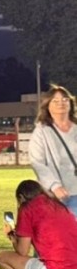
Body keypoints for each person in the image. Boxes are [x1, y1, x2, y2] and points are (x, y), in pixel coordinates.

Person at [0, 179, 77, 269]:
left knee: (1, 258)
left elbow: (22, 251)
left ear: (21, 197)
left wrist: (12, 238)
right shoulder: (60, 206)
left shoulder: (28, 208)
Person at [28, 84, 77, 218]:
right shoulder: (41, 132)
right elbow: (37, 162)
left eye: (65, 99)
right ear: (47, 106)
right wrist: (54, 185)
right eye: (55, 101)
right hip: (61, 195)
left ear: (70, 103)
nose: (61, 103)